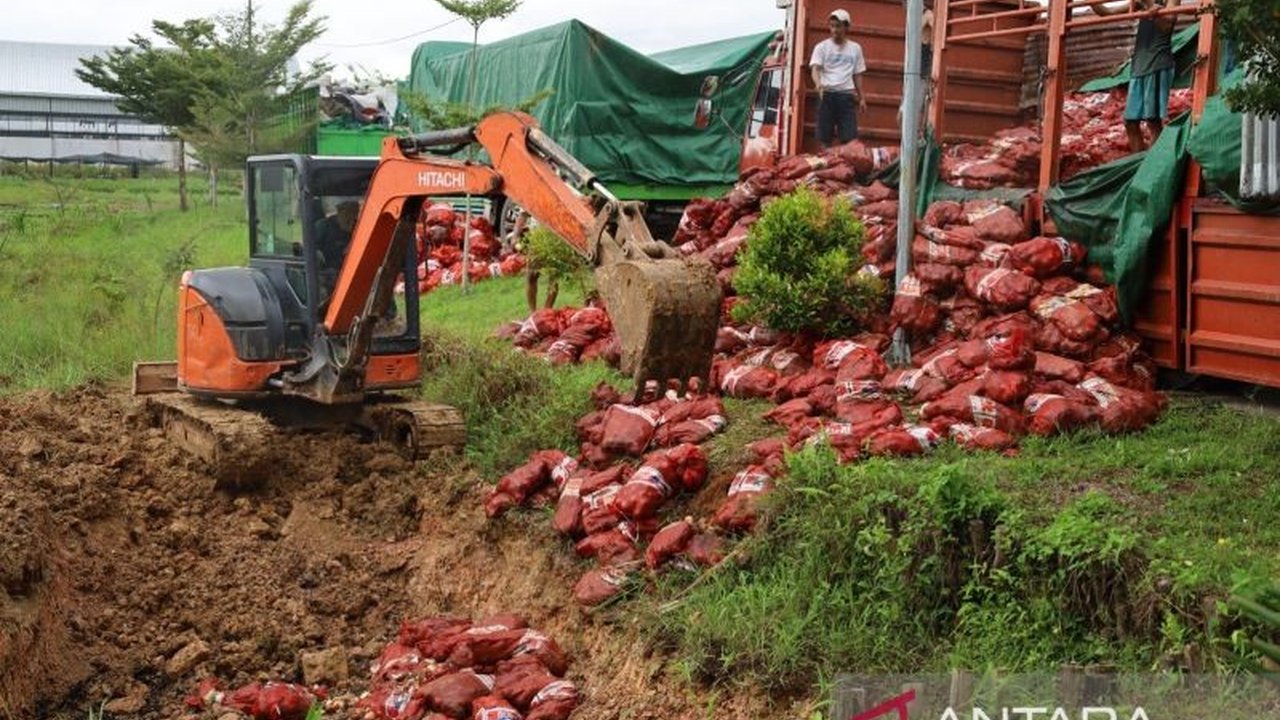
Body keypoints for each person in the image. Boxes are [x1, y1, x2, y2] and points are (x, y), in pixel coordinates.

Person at [1091, 0, 1179, 152]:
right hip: (1139, 66)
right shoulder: (1140, 3)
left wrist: (1150, 5)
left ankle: (1155, 163)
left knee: (1153, 121)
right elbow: (1107, 12)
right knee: (1130, 123)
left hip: (1157, 64)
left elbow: (1167, 25)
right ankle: (1139, 161)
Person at [810, 8, 868, 147]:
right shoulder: (821, 47)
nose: (835, 30)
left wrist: (862, 98)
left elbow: (857, 74)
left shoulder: (855, 49)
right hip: (827, 95)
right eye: (832, 26)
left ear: (846, 27)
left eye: (838, 26)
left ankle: (845, 160)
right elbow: (815, 69)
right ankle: (826, 159)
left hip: (846, 96)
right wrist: (818, 84)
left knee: (849, 138)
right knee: (825, 138)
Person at [315, 200, 360, 269]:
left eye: (354, 218)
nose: (352, 223)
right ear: (339, 212)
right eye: (348, 218)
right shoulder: (323, 227)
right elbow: (311, 250)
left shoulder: (358, 228)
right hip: (327, 270)